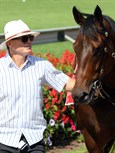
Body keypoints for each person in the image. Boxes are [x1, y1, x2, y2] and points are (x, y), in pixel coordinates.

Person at [0, 20, 76, 152]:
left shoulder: (42, 65)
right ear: (10, 43)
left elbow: (69, 84)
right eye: (24, 38)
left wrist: (98, 80)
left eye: (31, 37)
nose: (29, 41)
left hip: (34, 141)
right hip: (4, 140)